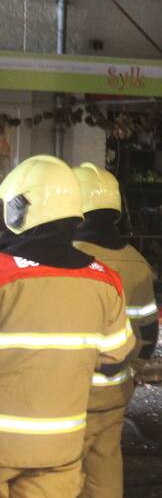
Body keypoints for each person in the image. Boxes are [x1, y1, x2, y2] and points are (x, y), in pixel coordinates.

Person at [0, 156, 134, 497]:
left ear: (16, 211)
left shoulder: (4, 273)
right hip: (60, 445)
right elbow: (116, 356)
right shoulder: (106, 280)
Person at [72, 162, 158, 498]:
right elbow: (148, 336)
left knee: (62, 475)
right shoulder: (137, 262)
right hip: (115, 389)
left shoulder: (65, 259)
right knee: (105, 467)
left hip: (70, 394)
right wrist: (131, 371)